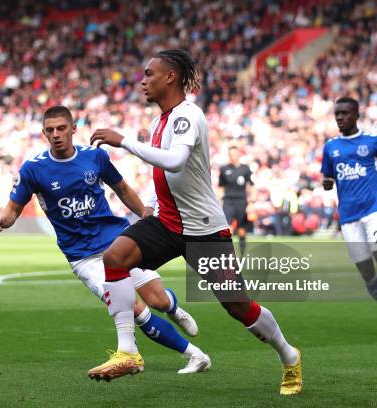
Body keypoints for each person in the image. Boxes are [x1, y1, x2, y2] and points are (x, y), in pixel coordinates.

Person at [89, 49, 302, 395]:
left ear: (170, 76)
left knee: (237, 306)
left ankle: (288, 354)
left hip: (203, 229)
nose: (142, 81)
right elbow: (167, 176)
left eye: (149, 74)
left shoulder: (188, 115)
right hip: (168, 223)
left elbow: (175, 161)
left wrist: (125, 141)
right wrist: (151, 206)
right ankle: (128, 351)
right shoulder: (159, 120)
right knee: (114, 258)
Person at [0, 106, 211, 374]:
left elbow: (123, 189)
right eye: (50, 130)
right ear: (44, 133)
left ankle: (173, 309)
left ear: (73, 128)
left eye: (61, 128)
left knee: (159, 301)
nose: (56, 134)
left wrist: (144, 215)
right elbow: (13, 208)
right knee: (136, 309)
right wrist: (2, 221)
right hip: (84, 257)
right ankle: (195, 355)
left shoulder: (95, 157)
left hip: (118, 241)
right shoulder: (34, 169)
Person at [321, 96, 377, 336]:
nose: (340, 117)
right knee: (367, 274)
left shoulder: (373, 141)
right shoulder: (331, 147)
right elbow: (327, 176)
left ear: (356, 115)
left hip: (374, 208)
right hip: (348, 216)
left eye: (345, 113)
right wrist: (327, 182)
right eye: (337, 114)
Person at [219, 145, 253, 255]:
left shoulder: (245, 169)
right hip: (228, 201)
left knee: (242, 231)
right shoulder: (224, 169)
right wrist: (218, 201)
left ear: (239, 155)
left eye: (234, 154)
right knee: (227, 230)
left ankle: (242, 255)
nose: (233, 156)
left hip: (242, 202)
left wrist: (251, 202)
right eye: (230, 154)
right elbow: (221, 187)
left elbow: (252, 185)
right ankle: (228, 255)